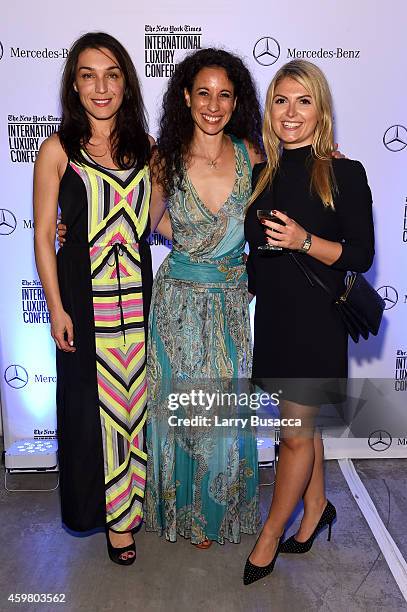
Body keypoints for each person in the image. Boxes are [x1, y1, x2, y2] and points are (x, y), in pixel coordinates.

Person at [243, 60, 374, 584]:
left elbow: (360, 255)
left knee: (293, 436)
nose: (290, 112)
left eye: (303, 101)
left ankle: (269, 536)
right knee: (304, 428)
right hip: (275, 318)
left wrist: (303, 240)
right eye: (281, 100)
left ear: (320, 111)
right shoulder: (261, 174)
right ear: (269, 110)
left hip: (317, 323)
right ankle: (316, 507)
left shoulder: (345, 171)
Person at [34, 32, 154, 565]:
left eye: (111, 74)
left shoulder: (149, 150)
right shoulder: (57, 149)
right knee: (90, 413)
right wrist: (56, 308)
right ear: (74, 84)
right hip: (84, 301)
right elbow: (42, 233)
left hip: (138, 299)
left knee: (134, 408)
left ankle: (131, 510)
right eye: (88, 75)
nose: (100, 87)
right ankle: (110, 521)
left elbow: (163, 220)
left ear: (126, 82)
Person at [144, 48, 264, 547]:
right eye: (203, 93)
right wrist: (194, 243)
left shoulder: (254, 155)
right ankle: (185, 516)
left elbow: (294, 192)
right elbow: (148, 221)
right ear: (186, 99)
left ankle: (222, 513)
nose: (213, 105)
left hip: (231, 304)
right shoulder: (164, 158)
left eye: (224, 95)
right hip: (177, 305)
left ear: (236, 102)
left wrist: (333, 161)